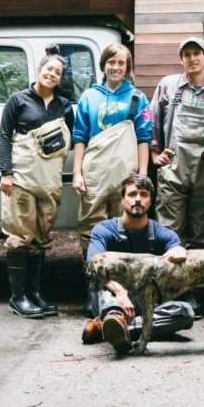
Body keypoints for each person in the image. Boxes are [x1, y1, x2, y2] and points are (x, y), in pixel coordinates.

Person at [150, 37, 204, 314]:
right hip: (173, 170)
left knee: (201, 236)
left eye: (197, 53)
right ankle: (174, 295)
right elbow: (153, 121)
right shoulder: (168, 86)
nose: (192, 58)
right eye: (186, 54)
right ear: (181, 58)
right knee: (172, 235)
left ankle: (197, 292)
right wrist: (154, 155)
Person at [71, 43, 152, 315]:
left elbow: (144, 137)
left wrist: (142, 176)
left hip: (126, 176)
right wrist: (77, 173)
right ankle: (94, 291)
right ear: (103, 64)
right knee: (91, 230)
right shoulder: (89, 97)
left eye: (121, 63)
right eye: (111, 62)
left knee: (126, 232)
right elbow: (79, 136)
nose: (116, 67)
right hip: (94, 173)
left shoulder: (137, 98)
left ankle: (125, 293)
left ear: (128, 68)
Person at [0, 45, 74, 318]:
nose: (52, 74)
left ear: (61, 78)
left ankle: (35, 294)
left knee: (40, 238)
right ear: (39, 70)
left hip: (49, 182)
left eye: (58, 72)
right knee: (20, 236)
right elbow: (5, 137)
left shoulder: (63, 106)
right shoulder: (18, 100)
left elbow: (72, 140)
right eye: (49, 69)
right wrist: (6, 172)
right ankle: (18, 298)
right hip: (21, 179)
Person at [81, 174, 194, 354]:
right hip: (111, 295)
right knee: (102, 274)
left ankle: (109, 328)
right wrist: (120, 292)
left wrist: (178, 251)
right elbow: (93, 266)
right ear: (122, 200)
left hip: (142, 300)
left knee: (185, 313)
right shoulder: (103, 230)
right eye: (132, 194)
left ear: (150, 201)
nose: (138, 199)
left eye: (144, 194)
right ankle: (114, 316)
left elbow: (175, 245)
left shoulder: (161, 232)